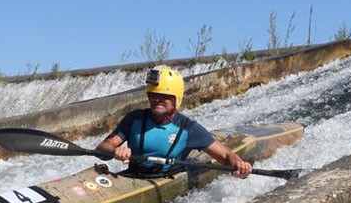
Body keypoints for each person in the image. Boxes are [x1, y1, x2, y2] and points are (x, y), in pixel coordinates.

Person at [97, 66, 252, 178]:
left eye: (164, 96)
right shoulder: (135, 119)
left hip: (166, 178)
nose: (157, 100)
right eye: (154, 95)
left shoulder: (188, 128)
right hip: (133, 176)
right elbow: (103, 148)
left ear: (175, 99)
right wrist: (114, 151)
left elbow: (225, 155)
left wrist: (239, 166)